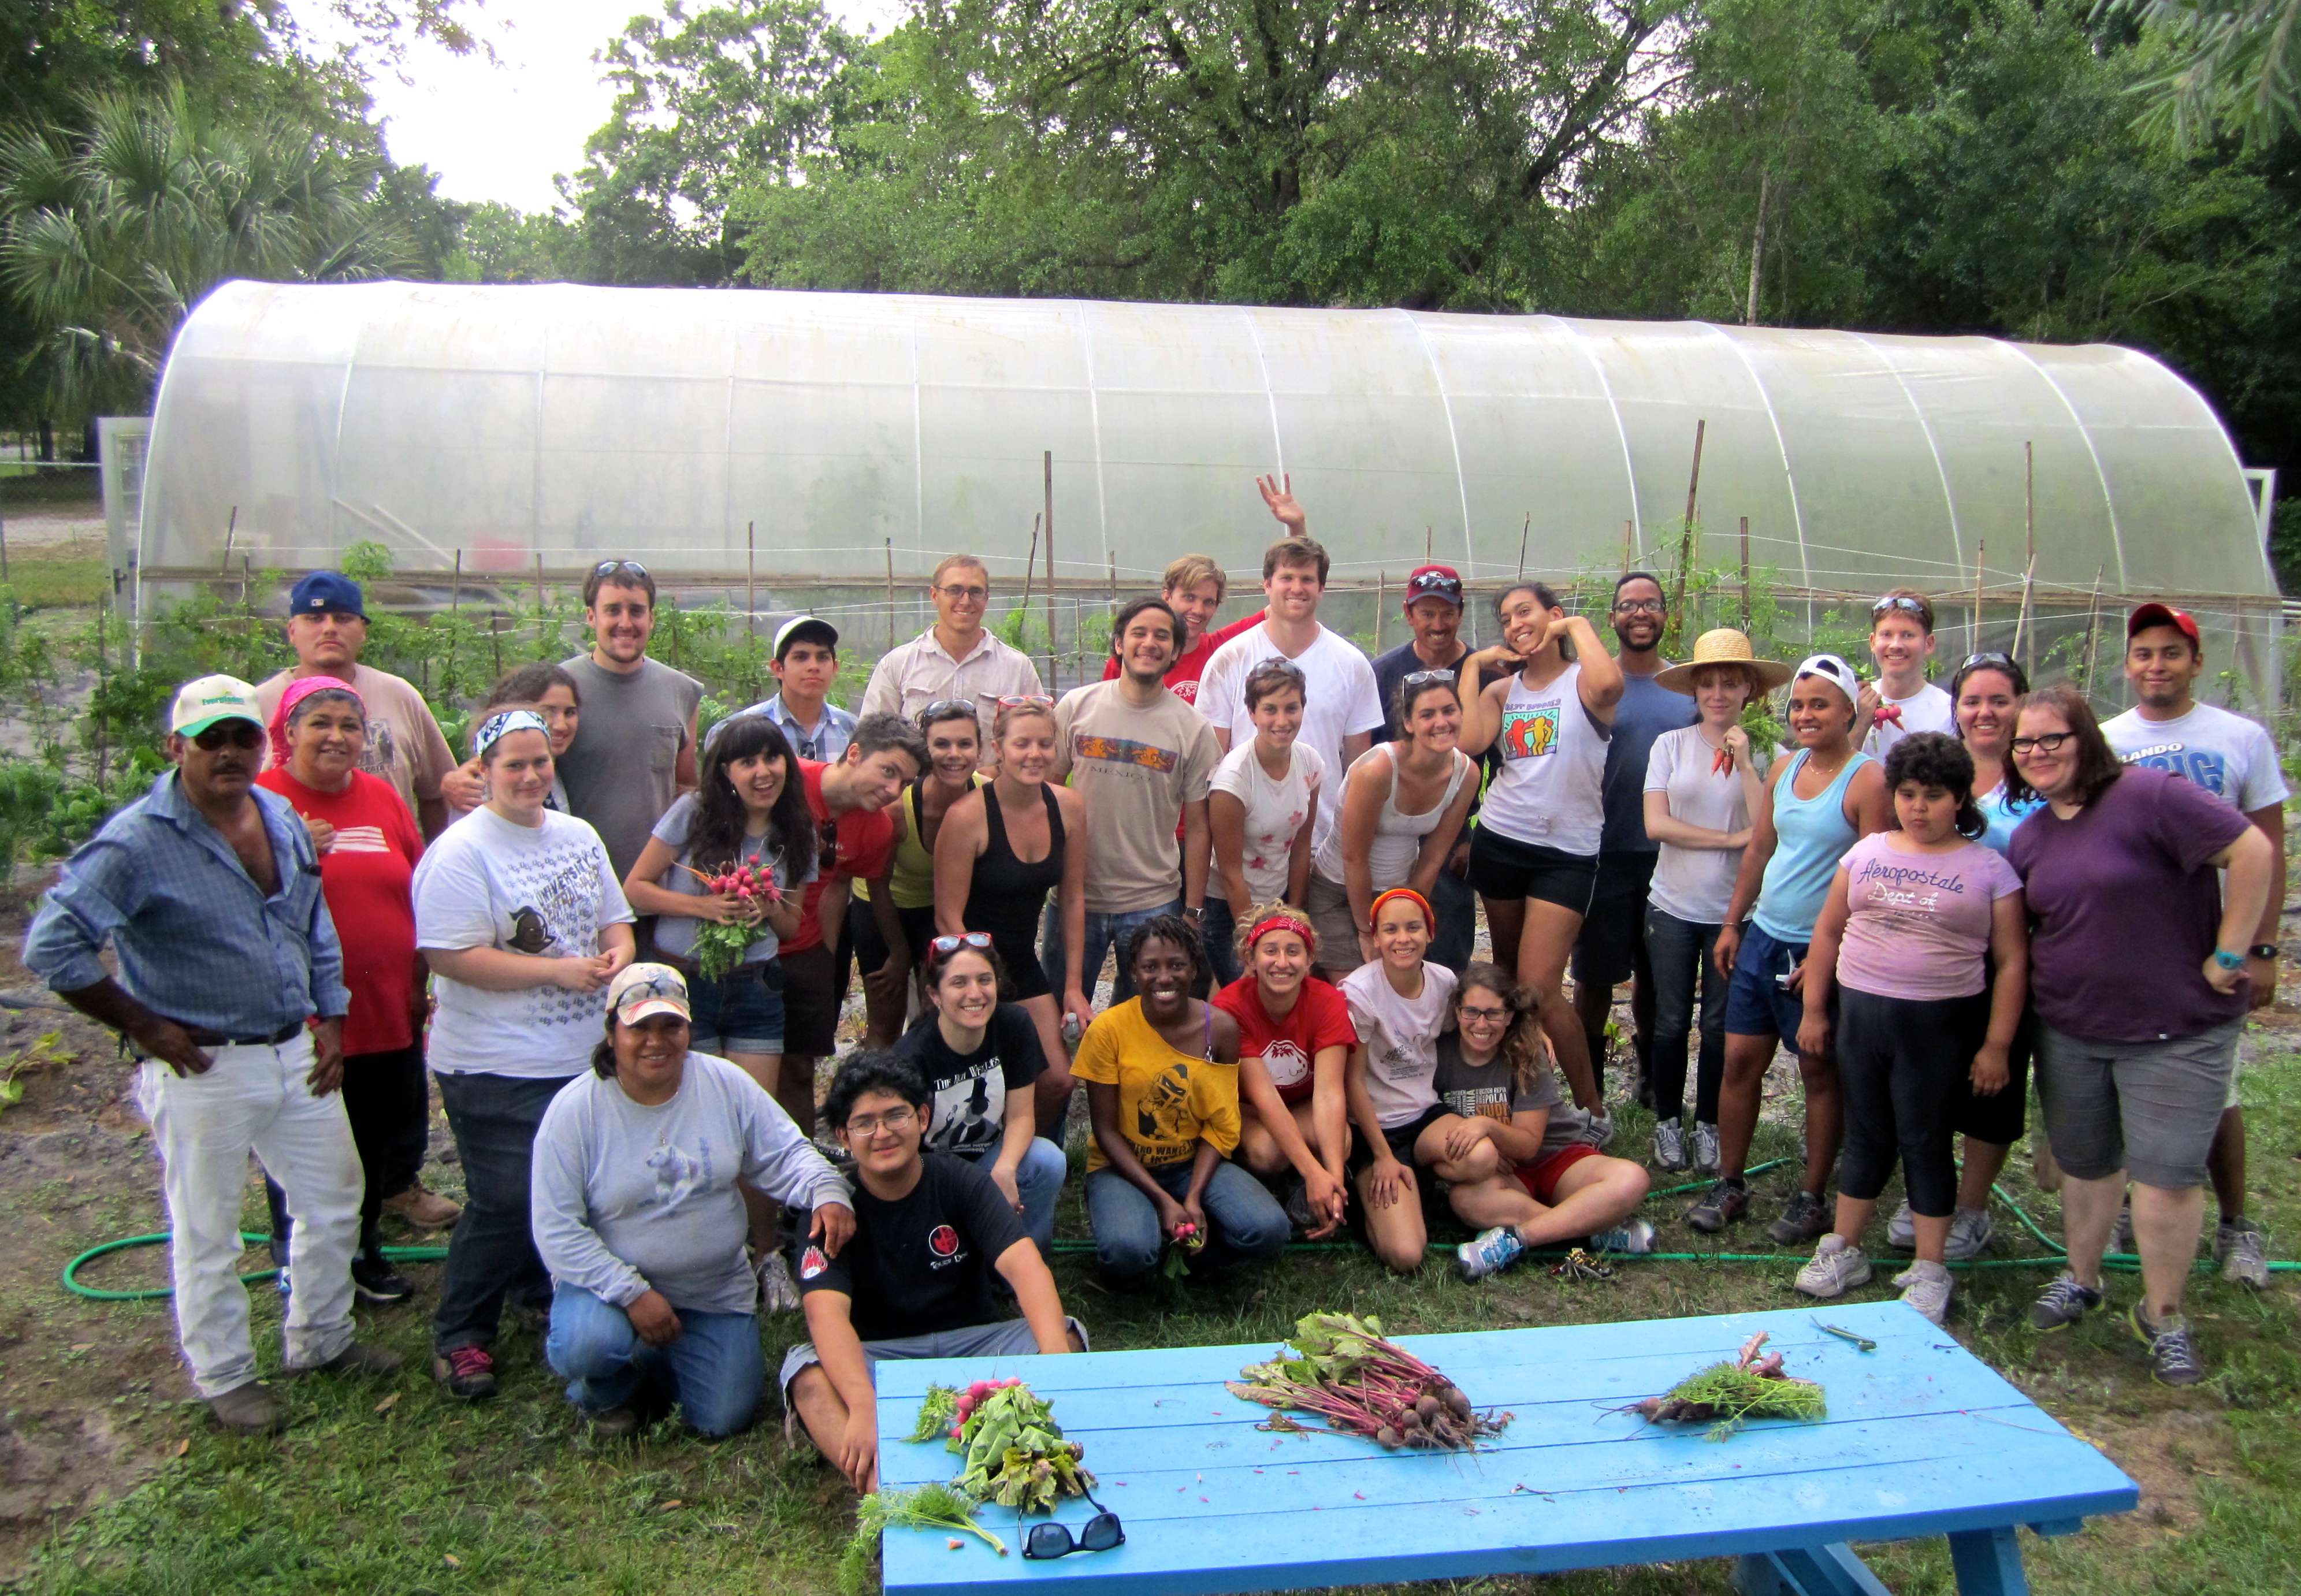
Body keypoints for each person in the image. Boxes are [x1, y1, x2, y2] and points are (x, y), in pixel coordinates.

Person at [25, 675, 397, 1434]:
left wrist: (331, 1017)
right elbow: (54, 946)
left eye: (242, 738)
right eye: (210, 739)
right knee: (209, 1228)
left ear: (262, 745)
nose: (228, 752)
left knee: (333, 1199)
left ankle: (321, 1337)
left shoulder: (279, 815)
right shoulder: (137, 841)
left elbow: (309, 920)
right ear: (176, 747)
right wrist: (144, 1025)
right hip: (203, 1063)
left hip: (293, 1046)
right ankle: (226, 1375)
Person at [2008, 686, 2273, 1387]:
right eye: (2023, 744)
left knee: (2164, 1175)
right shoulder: (2033, 834)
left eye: (2050, 739)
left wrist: (2231, 951)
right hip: (2071, 1026)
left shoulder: (2150, 797)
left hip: (2174, 1029)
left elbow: (2250, 850)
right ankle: (2081, 1277)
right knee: (2086, 1163)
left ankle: (2162, 1315)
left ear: (2084, 739)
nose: (2035, 753)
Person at [412, 708, 637, 1401]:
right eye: (513, 764)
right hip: (493, 1060)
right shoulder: (461, 852)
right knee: (506, 1198)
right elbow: (448, 955)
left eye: (540, 762)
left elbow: (616, 919)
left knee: (576, 1186)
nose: (531, 775)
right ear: (482, 771)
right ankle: (461, 1334)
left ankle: (540, 1287)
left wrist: (616, 962)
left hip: (578, 1050)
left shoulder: (576, 835)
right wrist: (557, 973)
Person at [533, 964, 853, 1438]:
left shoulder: (724, 1083)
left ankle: (651, 1360)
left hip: (712, 1287)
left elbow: (785, 1150)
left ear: (689, 1028)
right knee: (588, 1344)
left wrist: (826, 1190)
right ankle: (609, 1388)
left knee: (725, 1416)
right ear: (610, 1032)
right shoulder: (573, 1111)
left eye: (671, 1025)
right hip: (613, 1292)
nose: (655, 1040)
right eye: (639, 1026)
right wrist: (633, 1294)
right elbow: (556, 1229)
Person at [1789, 735, 2028, 1325]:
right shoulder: (1864, 854)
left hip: (1939, 1024)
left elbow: (2012, 962)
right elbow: (1826, 935)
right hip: (1861, 1017)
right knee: (1867, 1133)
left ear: (1960, 799)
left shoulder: (1987, 868)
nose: (1918, 808)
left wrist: (1996, 1044)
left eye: (1933, 796)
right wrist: (1815, 1011)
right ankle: (1843, 1249)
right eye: (1907, 794)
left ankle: (1929, 1266)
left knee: (1923, 1140)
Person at [786, 1051, 1084, 1494]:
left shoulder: (958, 1180)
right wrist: (863, 1403)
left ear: (923, 1117)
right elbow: (824, 1316)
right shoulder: (831, 1207)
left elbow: (1025, 1267)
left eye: (896, 1115)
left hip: (973, 1345)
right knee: (805, 1374)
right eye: (865, 1123)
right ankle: (881, 1493)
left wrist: (1056, 1360)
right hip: (878, 1357)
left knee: (1066, 1335)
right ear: (844, 1136)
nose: (883, 1132)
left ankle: (1023, 1453)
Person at [2101, 602, 2285, 1289]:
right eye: (2143, 653)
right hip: (2128, 944)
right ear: (2127, 664)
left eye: (2170, 653)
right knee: (2121, 1074)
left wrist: (2260, 946)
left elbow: (2267, 844)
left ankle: (2236, 1224)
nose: (2155, 665)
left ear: (2196, 662)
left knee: (2213, 1088)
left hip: (2211, 943)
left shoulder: (2239, 738)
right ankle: (2129, 1203)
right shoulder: (2105, 739)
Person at [1694, 654, 1890, 1241]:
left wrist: (1828, 958)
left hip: (1818, 947)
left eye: (1819, 704)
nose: (1805, 715)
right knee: (1738, 1062)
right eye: (1798, 706)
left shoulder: (1866, 780)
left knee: (1817, 1071)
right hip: (1764, 936)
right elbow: (1759, 851)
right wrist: (1733, 924)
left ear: (1847, 711)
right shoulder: (1784, 769)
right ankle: (1730, 1182)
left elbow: (1872, 875)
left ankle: (1810, 1197)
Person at [254, 676, 432, 1304]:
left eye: (349, 725)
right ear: (289, 732)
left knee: (373, 1139)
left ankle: (365, 1252)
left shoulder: (382, 798)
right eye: (320, 723)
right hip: (307, 1013)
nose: (336, 737)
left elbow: (415, 890)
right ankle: (298, 1263)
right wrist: (290, 848)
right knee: (308, 1146)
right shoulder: (262, 803)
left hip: (385, 1003)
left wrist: (418, 983)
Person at [1875, 652, 2039, 1260]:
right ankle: (1927, 1193)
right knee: (1932, 1079)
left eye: (1999, 700)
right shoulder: (1940, 770)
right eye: (1971, 701)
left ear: (2020, 704)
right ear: (1955, 708)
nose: (1985, 712)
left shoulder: (2038, 775)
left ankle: (1970, 1206)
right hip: (1936, 952)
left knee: (1992, 1081)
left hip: (2010, 952)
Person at [1454, 582, 1623, 1119]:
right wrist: (1474, 665)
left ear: (1551, 615)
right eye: (1504, 618)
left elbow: (1611, 683)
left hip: (1565, 853)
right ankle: (1524, 1094)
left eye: (1523, 612)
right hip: (1502, 839)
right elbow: (1468, 741)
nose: (1513, 625)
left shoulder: (1583, 683)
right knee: (1506, 976)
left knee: (1540, 987)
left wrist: (1574, 626)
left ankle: (1591, 1108)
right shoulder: (1504, 692)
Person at [619, 715, 815, 1115]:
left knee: (751, 1114)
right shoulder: (694, 812)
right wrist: (704, 906)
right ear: (727, 772)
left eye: (772, 759)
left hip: (756, 988)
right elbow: (635, 888)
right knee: (695, 1112)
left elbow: (790, 926)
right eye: (747, 762)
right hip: (686, 984)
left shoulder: (798, 830)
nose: (763, 772)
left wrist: (769, 907)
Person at [1076, 916, 1290, 1280]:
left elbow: (1221, 1126)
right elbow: (1106, 1132)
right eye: (1150, 967)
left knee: (1270, 1230)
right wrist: (1162, 1200)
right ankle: (1145, 1228)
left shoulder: (1219, 1028)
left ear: (1194, 969)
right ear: (1133, 972)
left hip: (1192, 1163)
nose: (1164, 978)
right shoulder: (1107, 1031)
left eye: (1176, 965)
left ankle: (1192, 1244)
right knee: (1128, 1254)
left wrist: (1191, 1197)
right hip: (1122, 1168)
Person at [1641, 629, 1783, 1175]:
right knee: (1671, 1021)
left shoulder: (1768, 751)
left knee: (1721, 1025)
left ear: (1748, 689)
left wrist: (1746, 762)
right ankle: (1667, 1123)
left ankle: (1708, 1125)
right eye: (1708, 684)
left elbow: (1766, 825)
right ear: (1694, 691)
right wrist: (1729, 840)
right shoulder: (1670, 746)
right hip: (1673, 904)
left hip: (1735, 911)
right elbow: (1656, 824)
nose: (1718, 693)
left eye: (1730, 683)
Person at [1196, 481, 1385, 857]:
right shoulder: (1229, 659)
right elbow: (1210, 764)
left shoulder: (1351, 665)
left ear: (1322, 589)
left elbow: (1356, 769)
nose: (1296, 587)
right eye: (1286, 578)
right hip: (1242, 850)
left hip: (1322, 847)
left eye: (1307, 579)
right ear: (1266, 585)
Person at [1050, 597, 1221, 1002]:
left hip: (1152, 899)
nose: (1150, 643)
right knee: (1060, 1015)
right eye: (1138, 633)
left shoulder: (1193, 729)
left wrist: (1192, 911)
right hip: (1076, 894)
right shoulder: (1076, 707)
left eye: (1162, 636)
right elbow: (1046, 796)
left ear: (1176, 651)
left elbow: (1199, 828)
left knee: (1141, 1027)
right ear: (1118, 644)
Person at [1569, 572, 1697, 1103]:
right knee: (1595, 976)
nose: (1640, 614)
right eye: (1628, 605)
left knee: (1658, 975)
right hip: (1603, 852)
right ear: (1612, 617)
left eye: (1651, 604)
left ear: (1668, 615)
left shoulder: (1687, 690)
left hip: (1670, 856)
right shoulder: (1593, 683)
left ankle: (1651, 1076)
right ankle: (1588, 1083)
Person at [1447, 962, 1657, 1281]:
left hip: (1558, 1158)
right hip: (1505, 1172)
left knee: (1633, 1179)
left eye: (1494, 1013)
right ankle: (1592, 1231)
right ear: (1456, 1011)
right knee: (1464, 1199)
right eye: (1471, 1012)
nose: (1482, 1023)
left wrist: (1487, 1127)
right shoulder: (1439, 1056)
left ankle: (1515, 1240)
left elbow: (1529, 1144)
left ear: (1511, 1016)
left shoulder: (1527, 1051)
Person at [934, 699, 1090, 1128]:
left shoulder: (1069, 807)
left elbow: (1073, 898)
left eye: (1044, 744)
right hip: (965, 958)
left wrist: (1074, 987)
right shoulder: (967, 816)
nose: (1034, 754)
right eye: (1022, 744)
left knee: (1059, 1079)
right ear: (998, 748)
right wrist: (978, 984)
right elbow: (948, 917)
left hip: (1019, 959)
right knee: (979, 1077)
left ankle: (1021, 1159)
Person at [778, 715, 928, 1133]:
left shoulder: (875, 827)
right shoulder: (787, 781)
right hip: (750, 940)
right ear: (855, 752)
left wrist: (821, 963)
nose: (893, 790)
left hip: (802, 946)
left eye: (905, 782)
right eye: (888, 771)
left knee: (799, 1069)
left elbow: (840, 886)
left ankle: (800, 1169)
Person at [891, 933, 1067, 1251]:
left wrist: (1005, 1168)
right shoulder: (910, 1058)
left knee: (1048, 1160)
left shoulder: (1014, 1024)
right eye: (959, 983)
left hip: (987, 1158)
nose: (975, 993)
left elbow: (1021, 1115)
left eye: (984, 980)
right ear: (935, 995)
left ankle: (1027, 1262)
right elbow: (905, 1153)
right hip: (932, 1176)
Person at [253, 571, 458, 839]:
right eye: (314, 618)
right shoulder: (258, 703)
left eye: (343, 618)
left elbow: (439, 793)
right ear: (292, 631)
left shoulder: (398, 695)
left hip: (388, 868)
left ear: (362, 630)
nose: (329, 628)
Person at [1305, 672, 1477, 978]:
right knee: (1358, 992)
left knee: (1399, 983)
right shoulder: (1378, 770)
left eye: (1449, 711)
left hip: (1398, 890)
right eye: (1427, 714)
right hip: (1339, 891)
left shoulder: (1467, 774)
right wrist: (1367, 931)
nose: (1441, 722)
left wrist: (1408, 908)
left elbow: (1435, 856)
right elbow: (1354, 858)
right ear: (1409, 724)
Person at [552, 560, 704, 887]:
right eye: (612, 611)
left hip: (656, 890)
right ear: (591, 616)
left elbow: (686, 787)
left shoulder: (682, 691)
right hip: (577, 889)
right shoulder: (558, 690)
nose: (625, 623)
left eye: (636, 611)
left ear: (651, 618)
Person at [1213, 903, 1355, 1236]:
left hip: (1302, 1104)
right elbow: (1264, 1099)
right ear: (1250, 960)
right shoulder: (1230, 1006)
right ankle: (1287, 1182)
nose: (1282, 962)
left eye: (1293, 952)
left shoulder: (1328, 1000)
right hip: (1250, 1108)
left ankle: (1323, 1195)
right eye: (1270, 951)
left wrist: (1332, 1178)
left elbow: (1330, 1092)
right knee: (1267, 1152)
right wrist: (1313, 1173)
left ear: (1309, 960)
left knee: (1340, 1141)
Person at [849, 700, 984, 1047]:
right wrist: (899, 954)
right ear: (927, 751)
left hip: (940, 911)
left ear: (980, 749)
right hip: (884, 909)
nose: (954, 754)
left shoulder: (987, 796)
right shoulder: (899, 806)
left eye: (965, 744)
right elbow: (876, 884)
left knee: (937, 1016)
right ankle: (875, 1090)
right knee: (886, 1022)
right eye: (941, 745)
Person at [1339, 889, 1461, 1273]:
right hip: (1375, 1128)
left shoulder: (1444, 981)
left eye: (1413, 927)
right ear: (1375, 938)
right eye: (1390, 930)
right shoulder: (1359, 991)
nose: (1402, 938)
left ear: (1430, 932)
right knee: (1406, 1255)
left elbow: (1467, 1031)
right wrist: (1382, 1155)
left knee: (1482, 1157)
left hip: (1424, 1115)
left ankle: (1420, 1182)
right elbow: (1352, 1081)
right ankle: (1366, 1191)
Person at [1368, 564, 1482, 971]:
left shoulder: (1482, 672)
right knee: (1387, 927)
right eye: (1427, 613)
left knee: (1447, 936)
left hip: (1451, 822)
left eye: (1447, 613)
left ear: (1461, 612)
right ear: (1408, 612)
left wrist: (1475, 834)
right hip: (1388, 822)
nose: (1438, 624)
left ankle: (1449, 1023)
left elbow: (1503, 762)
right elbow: (1365, 751)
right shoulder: (1383, 672)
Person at [1207, 659, 1326, 984]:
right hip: (1229, 906)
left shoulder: (1310, 763)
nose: (1282, 721)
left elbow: (1302, 846)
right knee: (1249, 991)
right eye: (1270, 710)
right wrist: (1254, 940)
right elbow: (1231, 873)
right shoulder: (1232, 780)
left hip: (1279, 894)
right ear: (1252, 713)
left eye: (1292, 708)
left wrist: (1295, 918)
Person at [860, 554, 1044, 723]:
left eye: (975, 592)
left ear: (987, 599)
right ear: (934, 595)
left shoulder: (1018, 669)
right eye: (954, 590)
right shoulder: (897, 666)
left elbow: (1039, 736)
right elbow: (874, 741)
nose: (965, 601)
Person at [1099, 551, 1267, 705]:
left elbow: (1281, 607)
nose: (1198, 610)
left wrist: (1294, 527)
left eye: (1208, 602)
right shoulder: (1132, 659)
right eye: (1190, 598)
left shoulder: (1221, 649)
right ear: (1167, 597)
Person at [443, 664, 581, 821]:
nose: (561, 725)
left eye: (570, 712)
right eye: (548, 712)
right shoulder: (479, 789)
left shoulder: (557, 769)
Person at [719, 616, 858, 763]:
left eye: (822, 657)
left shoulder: (852, 730)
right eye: (801, 657)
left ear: (835, 668)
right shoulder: (735, 732)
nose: (814, 666)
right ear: (778, 668)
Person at [1855, 590, 1953, 758]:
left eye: (1908, 635)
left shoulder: (1948, 712)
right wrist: (1861, 723)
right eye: (1886, 635)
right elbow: (1833, 772)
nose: (1896, 645)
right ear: (1873, 642)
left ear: (1929, 644)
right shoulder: (1855, 703)